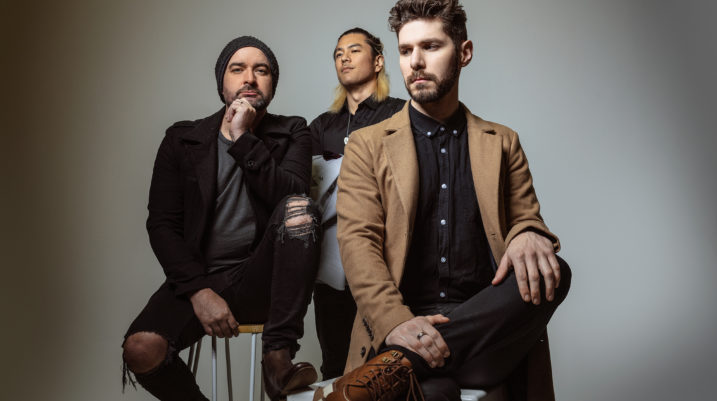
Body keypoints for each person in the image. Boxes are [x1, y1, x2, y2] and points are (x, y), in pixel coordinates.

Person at [313, 1, 572, 401]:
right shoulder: (368, 145)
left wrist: (527, 232)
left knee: (556, 270)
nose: (415, 62)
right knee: (436, 394)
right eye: (405, 50)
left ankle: (399, 365)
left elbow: (526, 216)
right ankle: (412, 360)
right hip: (405, 320)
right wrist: (396, 321)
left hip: (487, 329)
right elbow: (357, 244)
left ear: (464, 53)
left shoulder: (502, 142)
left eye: (431, 47)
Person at [121, 36, 320, 401]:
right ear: (222, 82)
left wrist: (243, 138)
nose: (250, 78)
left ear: (272, 84)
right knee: (140, 348)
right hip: (199, 277)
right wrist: (198, 292)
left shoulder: (293, 130)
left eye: (262, 70)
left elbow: (293, 198)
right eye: (237, 69)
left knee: (300, 209)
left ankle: (277, 359)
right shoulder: (183, 139)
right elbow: (162, 225)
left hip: (261, 278)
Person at [309, 27, 405, 380]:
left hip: (385, 256)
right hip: (330, 261)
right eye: (338, 53)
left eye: (353, 50)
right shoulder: (321, 126)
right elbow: (309, 190)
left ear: (378, 61)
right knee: (335, 363)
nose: (344, 58)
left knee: (386, 365)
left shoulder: (402, 114)